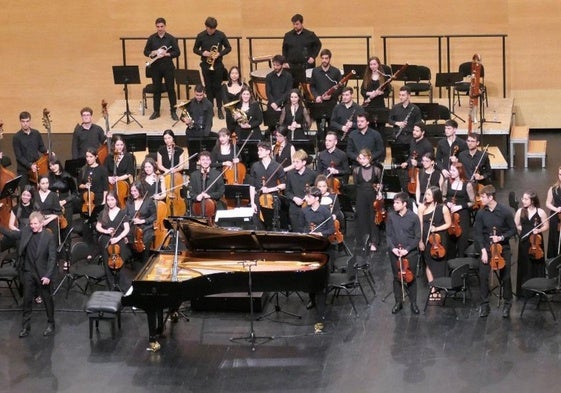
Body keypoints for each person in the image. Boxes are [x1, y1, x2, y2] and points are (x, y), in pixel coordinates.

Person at [473, 184, 517, 318]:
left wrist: (501, 237)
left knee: (506, 276)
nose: (480, 199)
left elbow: (513, 230)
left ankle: (507, 303)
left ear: (491, 197)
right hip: (487, 248)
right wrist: (483, 251)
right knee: (483, 275)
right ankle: (484, 305)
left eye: (483, 197)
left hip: (503, 248)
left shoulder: (505, 212)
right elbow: (478, 233)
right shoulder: (481, 213)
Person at [17, 211, 57, 338]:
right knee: (27, 300)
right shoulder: (27, 232)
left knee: (47, 299)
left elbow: (52, 258)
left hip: (42, 273)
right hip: (28, 272)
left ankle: (51, 323)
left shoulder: (48, 236)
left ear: (41, 223)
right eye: (31, 224)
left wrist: (48, 275)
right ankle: (25, 327)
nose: (32, 226)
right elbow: (12, 234)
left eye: (35, 224)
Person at [386, 192, 421, 315]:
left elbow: (417, 237)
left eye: (397, 203)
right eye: (394, 203)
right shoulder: (391, 216)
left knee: (411, 278)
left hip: (409, 253)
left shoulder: (414, 217)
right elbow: (389, 235)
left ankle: (414, 303)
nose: (394, 205)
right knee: (397, 278)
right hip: (395, 253)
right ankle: (398, 302)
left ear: (404, 204)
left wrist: (407, 249)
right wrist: (393, 248)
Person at [193, 16, 231, 120]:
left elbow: (228, 48)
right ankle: (210, 108)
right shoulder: (200, 35)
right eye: (210, 29)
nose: (212, 31)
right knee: (208, 87)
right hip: (206, 65)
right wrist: (202, 53)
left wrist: (219, 53)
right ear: (206, 27)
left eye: (214, 29)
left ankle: (219, 108)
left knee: (217, 87)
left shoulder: (221, 35)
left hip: (218, 65)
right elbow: (195, 49)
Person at [418, 186, 451, 301]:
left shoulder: (443, 208)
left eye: (428, 195)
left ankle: (439, 287)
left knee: (439, 263)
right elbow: (420, 225)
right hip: (426, 239)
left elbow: (448, 224)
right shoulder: (421, 207)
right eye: (425, 194)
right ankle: (433, 288)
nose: (426, 197)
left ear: (435, 197)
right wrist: (420, 240)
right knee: (428, 263)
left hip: (439, 239)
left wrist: (436, 229)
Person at [143, 17, 180, 121]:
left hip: (168, 67)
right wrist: (153, 52)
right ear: (156, 26)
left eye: (162, 26)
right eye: (158, 26)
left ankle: (173, 111)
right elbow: (145, 51)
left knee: (171, 89)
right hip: (155, 68)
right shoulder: (151, 38)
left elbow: (177, 52)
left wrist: (166, 53)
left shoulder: (171, 38)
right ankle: (156, 111)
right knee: (156, 90)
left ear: (165, 26)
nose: (160, 28)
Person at [514, 191, 548, 297]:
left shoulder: (541, 212)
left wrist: (538, 231)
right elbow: (516, 224)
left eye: (525, 199)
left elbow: (546, 226)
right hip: (524, 242)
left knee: (537, 263)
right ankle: (524, 290)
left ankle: (538, 290)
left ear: (532, 200)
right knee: (525, 264)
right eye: (523, 198)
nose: (522, 200)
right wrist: (524, 230)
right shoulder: (520, 211)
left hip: (536, 242)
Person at [96, 191, 131, 290]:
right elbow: (98, 226)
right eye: (108, 200)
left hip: (119, 241)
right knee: (107, 265)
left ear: (116, 200)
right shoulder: (104, 213)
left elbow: (127, 229)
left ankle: (121, 286)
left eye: (112, 199)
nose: (110, 202)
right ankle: (111, 286)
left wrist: (118, 238)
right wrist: (106, 231)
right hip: (106, 241)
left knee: (121, 265)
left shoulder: (122, 212)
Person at [249, 142, 286, 231]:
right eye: (258, 150)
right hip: (258, 198)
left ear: (268, 151)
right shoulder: (255, 166)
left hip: (273, 199)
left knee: (273, 224)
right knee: (258, 225)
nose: (258, 152)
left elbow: (284, 185)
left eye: (261, 150)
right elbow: (252, 186)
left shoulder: (277, 166)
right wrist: (252, 202)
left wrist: (270, 189)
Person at [353, 149, 383, 252]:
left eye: (364, 158)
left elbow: (380, 184)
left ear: (369, 158)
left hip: (372, 196)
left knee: (373, 218)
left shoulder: (376, 170)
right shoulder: (356, 170)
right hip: (361, 196)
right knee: (362, 218)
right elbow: (356, 185)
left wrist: (379, 191)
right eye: (360, 158)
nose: (362, 160)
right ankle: (365, 241)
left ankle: (374, 241)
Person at [309, 49, 342, 140]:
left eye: (326, 58)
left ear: (330, 59)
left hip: (332, 104)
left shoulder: (336, 71)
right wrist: (317, 96)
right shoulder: (315, 71)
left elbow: (340, 88)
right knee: (320, 129)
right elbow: (312, 86)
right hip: (320, 104)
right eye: (322, 58)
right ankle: (321, 147)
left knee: (332, 127)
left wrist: (332, 95)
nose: (324, 60)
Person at [282, 13, 322, 88]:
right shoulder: (288, 35)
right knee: (292, 89)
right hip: (292, 66)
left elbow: (318, 44)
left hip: (306, 66)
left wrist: (313, 56)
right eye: (293, 24)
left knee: (307, 89)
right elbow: (284, 49)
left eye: (297, 24)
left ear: (301, 23)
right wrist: (285, 62)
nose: (295, 26)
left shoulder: (310, 34)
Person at [445, 162, 475, 258]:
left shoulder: (467, 185)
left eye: (454, 170)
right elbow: (442, 197)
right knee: (449, 242)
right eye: (450, 170)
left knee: (462, 241)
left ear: (460, 171)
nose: (451, 172)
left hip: (462, 216)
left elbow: (473, 202)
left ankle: (461, 264)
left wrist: (460, 206)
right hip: (449, 214)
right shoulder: (447, 182)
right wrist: (447, 203)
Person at [12, 111, 48, 188]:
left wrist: (47, 151)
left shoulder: (36, 133)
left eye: (27, 121)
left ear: (30, 121)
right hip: (23, 170)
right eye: (23, 121)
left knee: (37, 190)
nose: (25, 123)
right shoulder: (16, 137)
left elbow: (41, 146)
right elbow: (19, 156)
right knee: (25, 192)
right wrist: (29, 165)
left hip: (36, 166)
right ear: (20, 122)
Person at [285, 150, 317, 233]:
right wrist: (294, 198)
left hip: (308, 207)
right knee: (296, 232)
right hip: (294, 208)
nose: (295, 164)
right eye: (294, 162)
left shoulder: (312, 174)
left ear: (304, 162)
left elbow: (316, 191)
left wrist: (308, 197)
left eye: (297, 162)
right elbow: (287, 191)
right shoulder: (290, 174)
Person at [125, 181, 156, 265]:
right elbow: (126, 215)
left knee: (145, 242)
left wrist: (143, 221)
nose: (133, 193)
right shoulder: (129, 202)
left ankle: (144, 264)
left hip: (146, 228)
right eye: (131, 191)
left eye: (135, 191)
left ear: (140, 190)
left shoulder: (148, 201)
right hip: (133, 229)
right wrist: (132, 219)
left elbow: (153, 217)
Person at [190, 151, 226, 221]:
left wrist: (209, 196)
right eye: (203, 160)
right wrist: (197, 197)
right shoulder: (194, 175)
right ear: (199, 162)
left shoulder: (217, 174)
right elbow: (191, 192)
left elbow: (221, 191)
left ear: (210, 161)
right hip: (198, 205)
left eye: (207, 159)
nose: (205, 162)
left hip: (215, 205)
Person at [399, 122, 433, 195]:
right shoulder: (412, 141)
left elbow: (430, 163)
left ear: (423, 132)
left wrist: (418, 163)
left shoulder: (427, 145)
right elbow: (411, 155)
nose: (414, 132)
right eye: (414, 130)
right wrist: (407, 162)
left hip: (421, 173)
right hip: (411, 172)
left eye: (417, 131)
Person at [105, 135, 135, 207]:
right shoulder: (109, 157)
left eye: (121, 145)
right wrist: (109, 178)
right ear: (113, 145)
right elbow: (104, 171)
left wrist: (118, 178)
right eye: (117, 145)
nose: (120, 147)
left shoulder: (128, 156)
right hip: (112, 184)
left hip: (124, 183)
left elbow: (130, 172)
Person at [265, 55, 293, 130]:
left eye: (277, 65)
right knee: (271, 125)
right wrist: (273, 103)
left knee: (284, 126)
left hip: (284, 104)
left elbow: (288, 92)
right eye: (274, 65)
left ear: (282, 65)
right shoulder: (269, 76)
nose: (275, 67)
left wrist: (278, 104)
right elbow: (268, 92)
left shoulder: (288, 76)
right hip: (272, 104)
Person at [48, 159, 77, 231]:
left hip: (66, 205)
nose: (52, 167)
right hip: (54, 205)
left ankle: (67, 242)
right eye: (50, 166)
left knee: (66, 228)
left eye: (54, 164)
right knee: (55, 229)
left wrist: (65, 201)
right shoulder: (49, 177)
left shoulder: (67, 176)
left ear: (59, 164)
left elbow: (75, 193)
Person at [33, 175, 62, 239]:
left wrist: (47, 221)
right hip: (37, 220)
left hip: (50, 220)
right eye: (43, 183)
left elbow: (58, 213)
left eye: (47, 183)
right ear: (38, 184)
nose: (45, 185)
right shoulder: (34, 195)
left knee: (52, 239)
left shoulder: (53, 195)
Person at [222, 66, 247, 130]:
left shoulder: (244, 86)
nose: (234, 75)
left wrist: (240, 114)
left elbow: (247, 100)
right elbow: (226, 102)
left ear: (239, 75)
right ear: (229, 74)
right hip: (230, 113)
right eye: (232, 73)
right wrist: (234, 114)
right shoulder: (225, 86)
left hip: (242, 113)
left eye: (236, 73)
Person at [545, 166, 561, 258]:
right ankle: (554, 261)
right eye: (560, 174)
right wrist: (556, 209)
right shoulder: (553, 189)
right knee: (555, 238)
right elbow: (548, 203)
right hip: (556, 217)